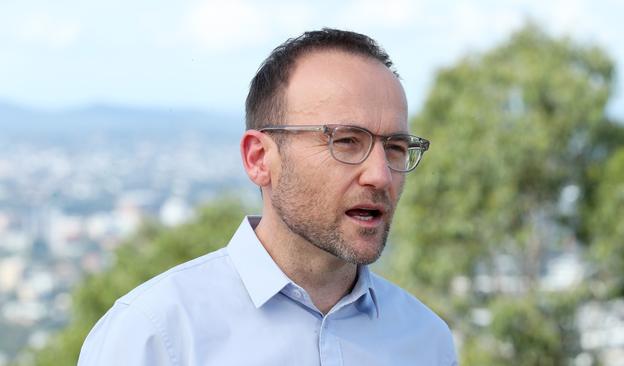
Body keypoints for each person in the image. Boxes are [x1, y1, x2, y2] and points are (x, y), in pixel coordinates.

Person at [78, 28, 457, 365]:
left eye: (395, 147)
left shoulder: (426, 342)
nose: (380, 175)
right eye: (346, 141)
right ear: (259, 159)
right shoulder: (155, 336)